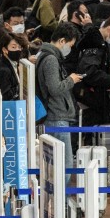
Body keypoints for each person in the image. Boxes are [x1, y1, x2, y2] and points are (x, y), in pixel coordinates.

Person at [35, 23, 82, 164]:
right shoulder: (51, 59)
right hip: (56, 116)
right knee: (64, 164)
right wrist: (71, 80)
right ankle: (63, 187)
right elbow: (55, 88)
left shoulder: (44, 55)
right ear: (62, 41)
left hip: (53, 115)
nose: (70, 49)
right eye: (70, 45)